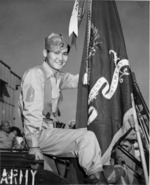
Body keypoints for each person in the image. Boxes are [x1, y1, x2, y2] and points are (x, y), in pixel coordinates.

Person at [19, 32, 109, 184]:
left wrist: (101, 67)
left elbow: (78, 80)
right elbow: (31, 111)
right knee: (86, 137)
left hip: (49, 133)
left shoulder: (57, 77)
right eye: (56, 53)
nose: (61, 58)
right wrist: (34, 146)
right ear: (45, 53)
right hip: (38, 134)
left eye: (65, 54)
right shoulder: (36, 74)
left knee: (87, 140)